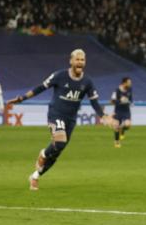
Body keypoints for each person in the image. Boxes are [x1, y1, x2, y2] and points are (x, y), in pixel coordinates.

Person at [7, 49, 112, 190]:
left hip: (71, 119)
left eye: (82, 60)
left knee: (57, 151)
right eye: (77, 59)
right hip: (56, 114)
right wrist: (22, 98)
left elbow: (94, 101)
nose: (80, 62)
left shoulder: (87, 81)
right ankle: (43, 153)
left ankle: (35, 176)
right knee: (60, 141)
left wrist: (103, 116)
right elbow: (40, 88)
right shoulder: (59, 75)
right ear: (71, 61)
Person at [110, 77, 133, 148]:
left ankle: (122, 130)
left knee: (128, 125)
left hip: (126, 111)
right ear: (124, 83)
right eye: (129, 82)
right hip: (118, 111)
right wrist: (120, 100)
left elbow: (131, 100)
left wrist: (129, 102)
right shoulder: (116, 91)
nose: (130, 84)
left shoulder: (130, 90)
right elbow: (112, 101)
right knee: (116, 126)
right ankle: (117, 142)